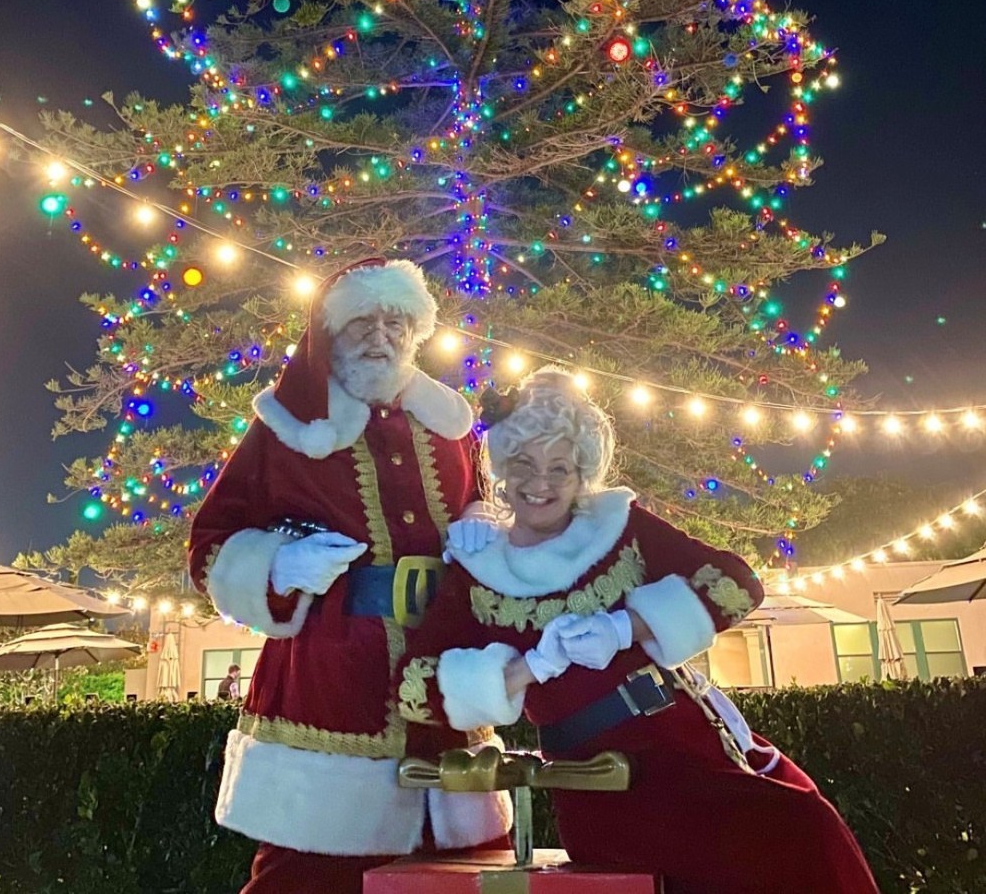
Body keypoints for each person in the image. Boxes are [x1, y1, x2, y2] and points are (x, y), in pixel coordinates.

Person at [396, 368, 880, 894]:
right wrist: (527, 669)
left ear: (581, 474)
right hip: (600, 777)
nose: (541, 484)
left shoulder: (618, 528)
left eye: (559, 468)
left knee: (809, 823)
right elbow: (415, 688)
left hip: (684, 738)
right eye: (525, 465)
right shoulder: (478, 568)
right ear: (504, 470)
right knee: (782, 835)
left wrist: (627, 626)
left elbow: (738, 583)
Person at [188, 258, 511, 894]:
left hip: (444, 670)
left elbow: (480, 497)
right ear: (330, 333)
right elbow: (209, 545)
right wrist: (279, 563)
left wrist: (483, 520)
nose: (381, 337)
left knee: (462, 866)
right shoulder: (284, 429)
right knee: (308, 873)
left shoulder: (449, 425)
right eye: (363, 322)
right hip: (332, 679)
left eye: (396, 323)